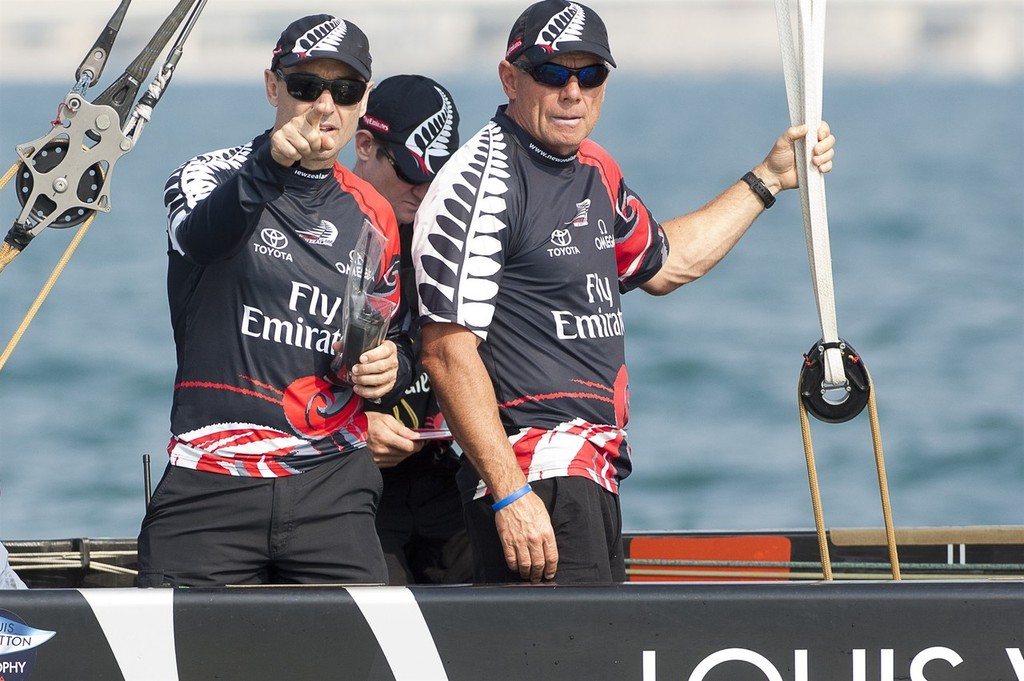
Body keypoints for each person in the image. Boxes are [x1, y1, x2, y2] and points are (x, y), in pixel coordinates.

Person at [412, 0, 837, 584]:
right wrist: (511, 496)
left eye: (591, 75)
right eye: (553, 73)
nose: (573, 92)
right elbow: (446, 352)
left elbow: (665, 263)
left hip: (593, 471)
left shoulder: (594, 169)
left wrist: (769, 178)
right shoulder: (479, 183)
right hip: (535, 475)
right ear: (510, 78)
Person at [137, 14, 411, 587]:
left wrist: (389, 366)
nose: (324, 106)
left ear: (362, 102)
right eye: (305, 86)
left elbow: (364, 341)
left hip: (332, 485)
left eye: (345, 91)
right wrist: (269, 166)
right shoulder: (206, 174)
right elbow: (203, 238)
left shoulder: (375, 215)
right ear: (272, 87)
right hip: (212, 480)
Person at [351, 75, 473, 584]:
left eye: (438, 176)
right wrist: (354, 435)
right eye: (409, 172)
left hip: (443, 469)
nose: (424, 192)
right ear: (364, 146)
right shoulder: (325, 231)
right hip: (351, 480)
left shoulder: (455, 232)